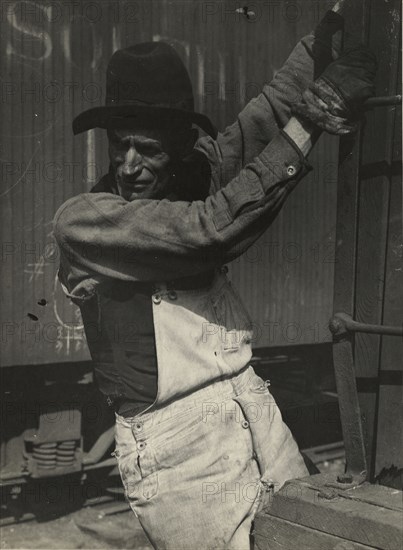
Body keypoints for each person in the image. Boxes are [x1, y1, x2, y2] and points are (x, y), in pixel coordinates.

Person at [53, 9, 376, 550]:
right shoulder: (86, 222)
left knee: (308, 539)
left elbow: (268, 112)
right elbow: (211, 230)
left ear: (179, 148)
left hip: (251, 404)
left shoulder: (191, 172)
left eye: (148, 150)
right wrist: (312, 123)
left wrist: (335, 27)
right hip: (177, 449)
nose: (129, 166)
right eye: (119, 146)